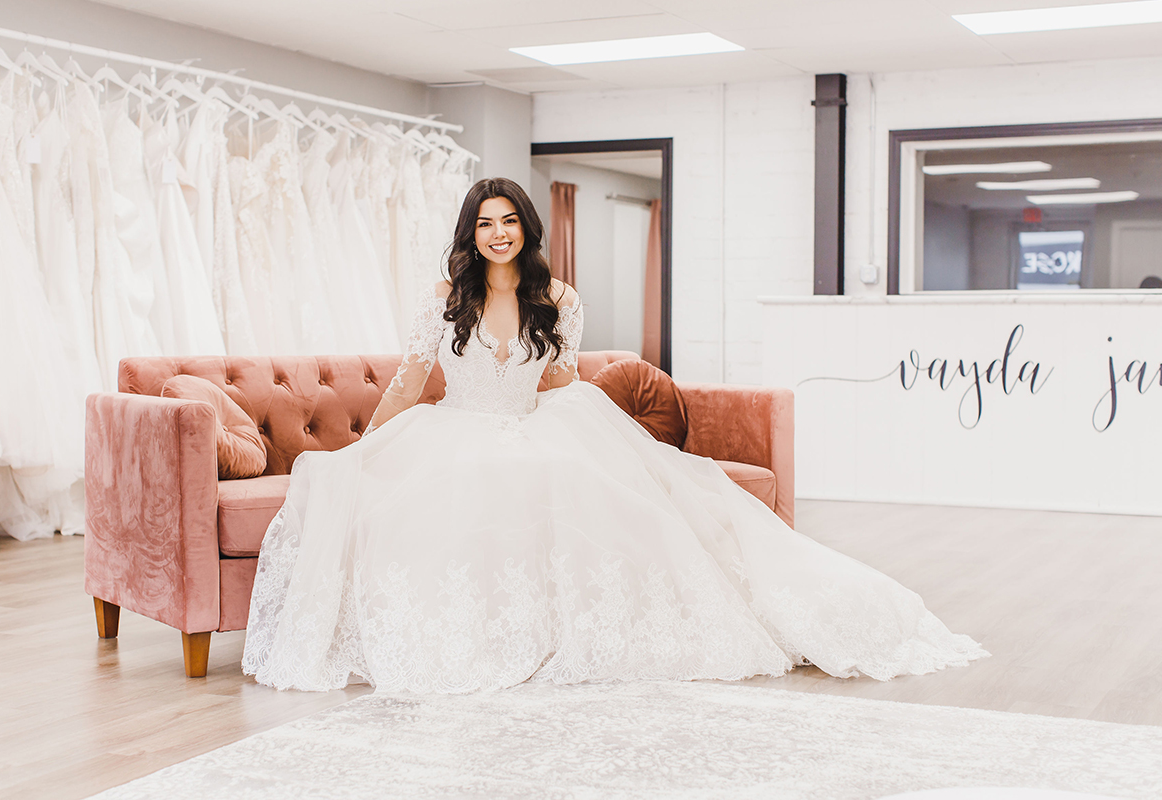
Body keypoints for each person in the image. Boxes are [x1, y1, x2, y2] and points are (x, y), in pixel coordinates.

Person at [242, 177, 987, 693]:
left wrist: (604, 433)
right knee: (451, 493)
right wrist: (369, 445)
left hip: (534, 424)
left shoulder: (558, 298)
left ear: (527, 228)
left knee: (590, 488)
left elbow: (561, 381)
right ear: (471, 234)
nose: (497, 234)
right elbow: (410, 381)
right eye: (484, 223)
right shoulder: (446, 297)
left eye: (508, 221)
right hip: (456, 429)